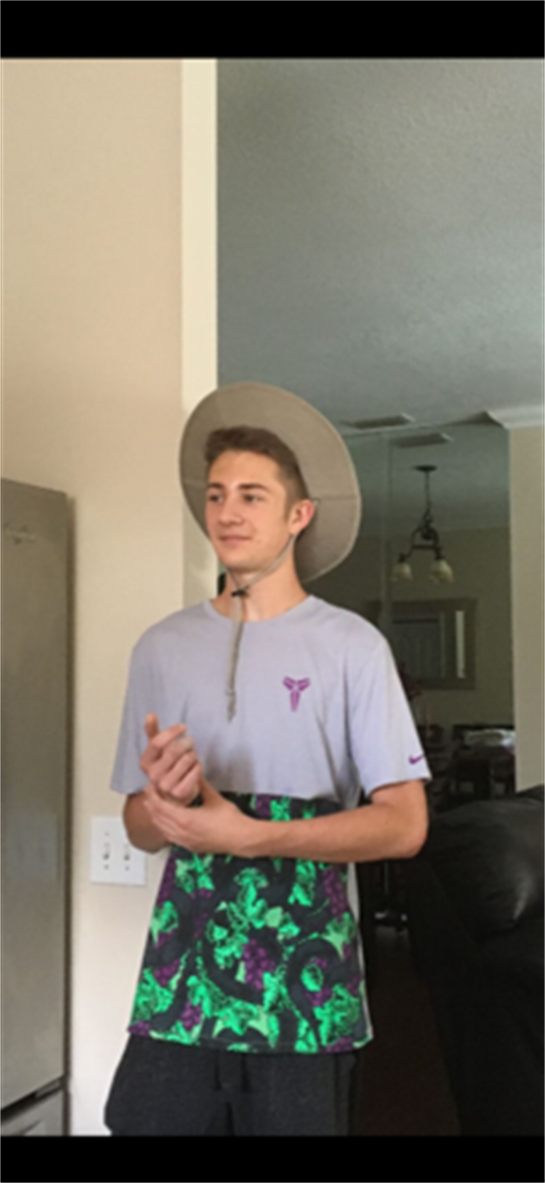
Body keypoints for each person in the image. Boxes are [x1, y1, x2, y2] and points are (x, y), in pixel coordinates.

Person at [104, 381, 430, 1137]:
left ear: (298, 515)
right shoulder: (160, 646)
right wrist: (162, 804)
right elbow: (137, 827)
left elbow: (404, 824)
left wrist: (251, 835)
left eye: (252, 495)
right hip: (181, 980)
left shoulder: (352, 647)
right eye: (217, 495)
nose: (228, 512)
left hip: (304, 988)